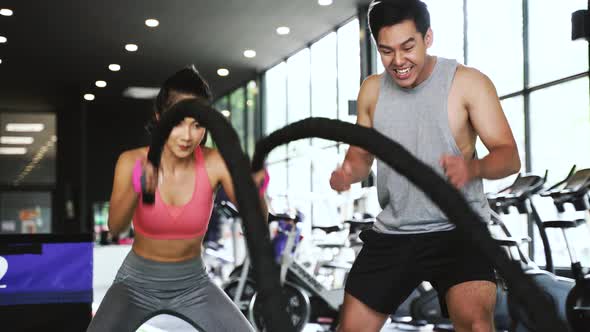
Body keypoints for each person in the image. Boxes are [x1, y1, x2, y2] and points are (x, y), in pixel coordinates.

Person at [329, 1, 521, 331]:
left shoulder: (468, 83)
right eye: (387, 51)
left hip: (459, 231)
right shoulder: (372, 90)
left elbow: (509, 157)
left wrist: (472, 170)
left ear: (428, 37)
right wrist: (348, 172)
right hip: (395, 233)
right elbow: (360, 158)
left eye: (408, 47)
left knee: (476, 325)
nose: (399, 61)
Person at [87, 65, 266, 332]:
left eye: (197, 125)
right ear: (160, 117)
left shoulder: (215, 162)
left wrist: (256, 190)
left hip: (193, 283)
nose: (187, 135)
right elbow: (116, 227)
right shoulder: (131, 161)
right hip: (135, 283)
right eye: (178, 122)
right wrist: (139, 187)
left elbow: (258, 221)